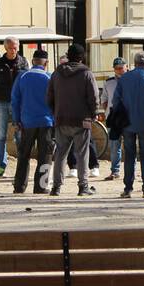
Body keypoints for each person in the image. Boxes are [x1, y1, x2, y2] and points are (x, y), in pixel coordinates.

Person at [46, 42, 98, 197]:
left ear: (68, 56)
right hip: (82, 119)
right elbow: (93, 97)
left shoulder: (57, 73)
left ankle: (56, 187)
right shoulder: (86, 73)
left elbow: (49, 97)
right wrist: (94, 113)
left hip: (61, 118)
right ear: (82, 58)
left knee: (60, 154)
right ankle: (83, 186)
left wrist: (55, 112)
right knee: (82, 153)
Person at [112, 51, 144, 198]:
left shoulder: (124, 78)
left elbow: (116, 101)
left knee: (129, 154)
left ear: (134, 63)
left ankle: (128, 188)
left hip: (127, 122)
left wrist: (119, 117)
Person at [10, 49, 55, 194]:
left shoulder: (22, 76)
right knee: (45, 155)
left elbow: (15, 100)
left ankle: (19, 186)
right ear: (46, 63)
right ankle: (41, 186)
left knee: (23, 154)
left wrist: (17, 120)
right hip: (46, 122)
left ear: (33, 61)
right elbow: (56, 101)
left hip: (26, 122)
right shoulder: (49, 77)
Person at [0, 36, 28, 178]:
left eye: (15, 47)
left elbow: (27, 83)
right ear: (5, 48)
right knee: (0, 135)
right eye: (10, 48)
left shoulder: (24, 62)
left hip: (19, 104)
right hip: (1, 103)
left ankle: (21, 166)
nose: (13, 50)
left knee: (19, 135)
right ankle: (1, 165)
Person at [98, 57, 128, 180]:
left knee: (129, 145)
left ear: (126, 67)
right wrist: (106, 111)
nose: (119, 70)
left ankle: (131, 171)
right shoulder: (109, 82)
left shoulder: (131, 80)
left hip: (128, 116)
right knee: (114, 145)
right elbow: (104, 99)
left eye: (121, 68)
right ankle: (115, 171)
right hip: (113, 117)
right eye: (117, 68)